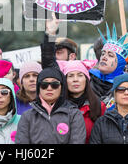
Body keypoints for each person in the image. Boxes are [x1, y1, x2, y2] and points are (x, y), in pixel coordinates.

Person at [42, 15, 105, 143]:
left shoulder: (99, 106)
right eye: (70, 76)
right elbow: (49, 65)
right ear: (64, 81)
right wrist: (50, 34)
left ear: (87, 80)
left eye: (80, 75)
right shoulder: (55, 105)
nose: (75, 79)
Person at [15, 66, 86, 144]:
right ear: (39, 87)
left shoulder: (74, 114)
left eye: (54, 84)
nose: (49, 88)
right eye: (44, 84)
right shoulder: (27, 116)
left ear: (62, 87)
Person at [89, 23, 128, 108]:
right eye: (103, 54)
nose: (104, 57)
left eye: (110, 55)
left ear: (119, 63)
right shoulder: (88, 79)